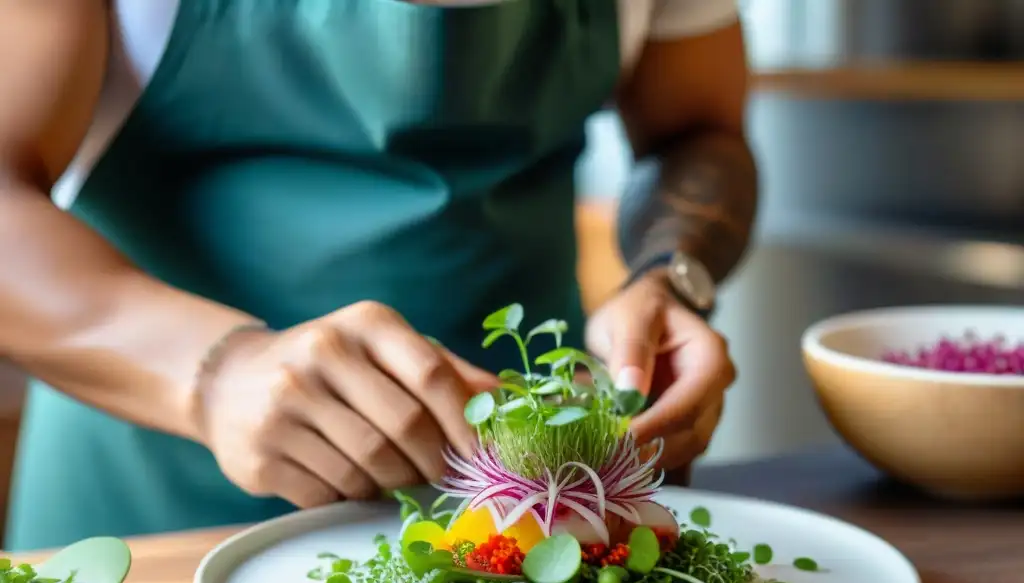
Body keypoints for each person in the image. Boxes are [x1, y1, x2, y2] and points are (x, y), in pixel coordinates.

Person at [0, 0, 757, 551]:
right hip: (153, 521)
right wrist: (216, 374)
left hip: (528, 531)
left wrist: (671, 275)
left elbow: (700, 131)